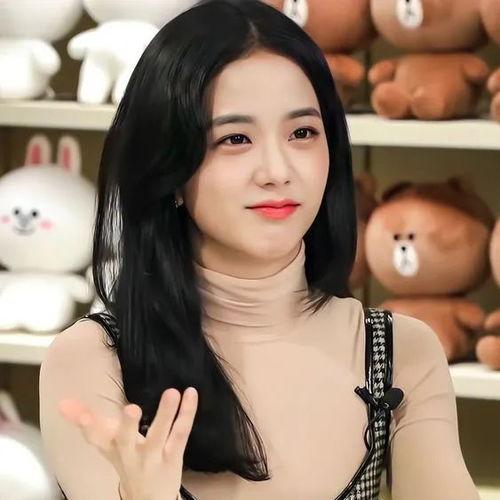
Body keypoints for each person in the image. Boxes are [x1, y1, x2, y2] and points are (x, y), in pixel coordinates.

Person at [38, 1, 479, 499]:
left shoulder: (401, 352)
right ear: (170, 168)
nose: (277, 170)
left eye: (302, 133)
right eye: (235, 139)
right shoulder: (95, 359)